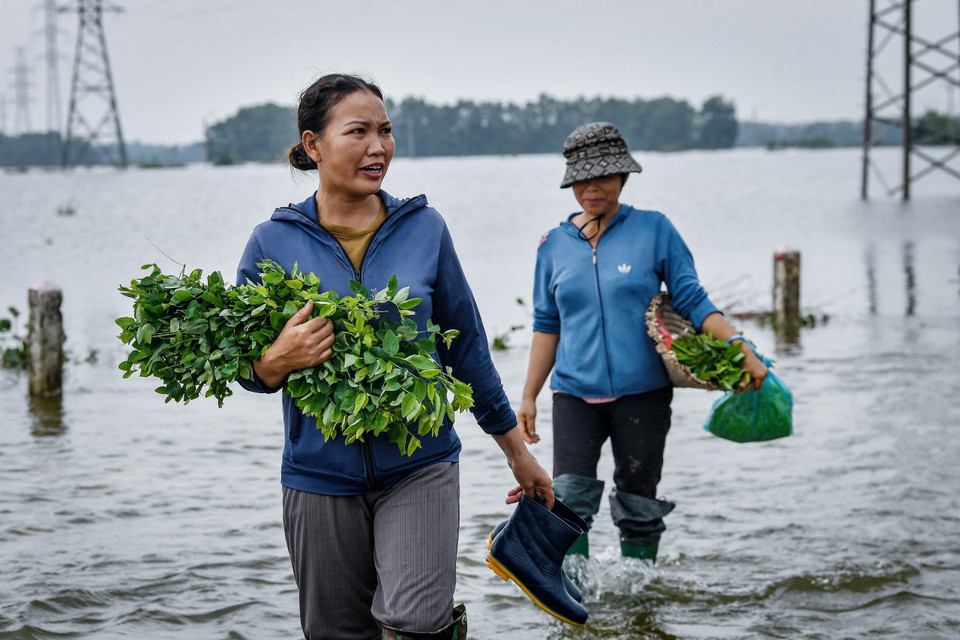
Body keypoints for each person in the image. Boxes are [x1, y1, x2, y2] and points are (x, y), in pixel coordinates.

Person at [235, 73, 553, 640]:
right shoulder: (271, 242)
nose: (378, 146)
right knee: (335, 633)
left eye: (385, 131)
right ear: (314, 145)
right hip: (317, 476)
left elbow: (468, 347)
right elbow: (245, 371)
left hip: (421, 463)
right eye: (358, 131)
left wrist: (515, 451)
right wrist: (276, 360)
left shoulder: (425, 228)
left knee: (417, 623)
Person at [516, 122, 767, 563]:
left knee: (639, 501)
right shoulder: (552, 245)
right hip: (574, 393)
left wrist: (742, 349)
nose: (591, 187)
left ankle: (640, 599)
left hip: (644, 395)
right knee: (568, 498)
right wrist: (529, 396)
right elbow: (546, 323)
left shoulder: (655, 230)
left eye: (603, 176)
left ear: (624, 177)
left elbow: (692, 300)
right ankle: (572, 595)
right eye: (581, 177)